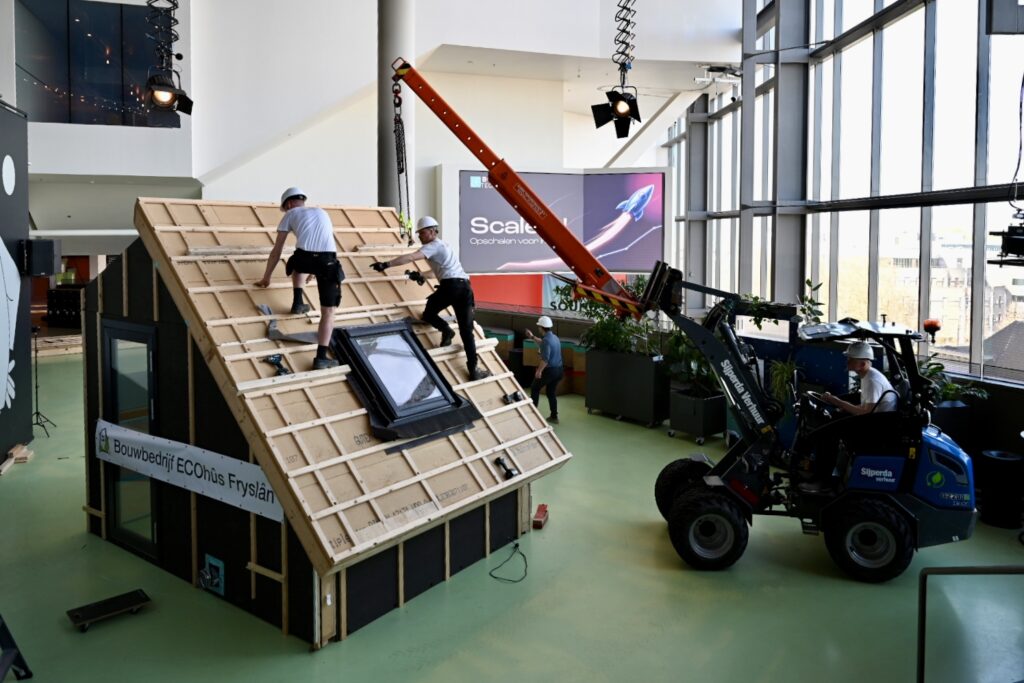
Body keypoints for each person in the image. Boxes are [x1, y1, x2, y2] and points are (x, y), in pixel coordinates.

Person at [370, 216, 491, 381]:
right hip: (465, 288)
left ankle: (446, 330)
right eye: (419, 233)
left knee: (428, 314)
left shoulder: (433, 246)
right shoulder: (444, 246)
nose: (419, 236)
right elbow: (439, 272)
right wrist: (420, 275)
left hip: (451, 287)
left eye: (422, 232)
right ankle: (474, 369)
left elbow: (411, 257)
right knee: (466, 331)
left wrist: (386, 264)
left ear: (433, 231)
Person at [255, 187, 344, 371]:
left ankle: (297, 302)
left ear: (288, 204)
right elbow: (324, 242)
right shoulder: (322, 212)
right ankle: (321, 358)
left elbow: (277, 250)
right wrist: (317, 270)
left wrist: (266, 278)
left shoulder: (290, 214)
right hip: (327, 261)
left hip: (305, 259)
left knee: (298, 260)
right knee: (328, 312)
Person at [821, 341, 897, 415]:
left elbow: (866, 414)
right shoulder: (868, 375)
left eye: (851, 359)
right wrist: (845, 407)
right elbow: (865, 407)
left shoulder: (872, 381)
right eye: (848, 358)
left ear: (862, 364)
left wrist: (837, 401)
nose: (847, 362)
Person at [524, 316, 563, 424]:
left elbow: (545, 360)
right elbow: (542, 343)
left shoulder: (547, 341)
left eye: (539, 326)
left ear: (541, 327)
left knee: (534, 388)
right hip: (559, 370)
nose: (538, 328)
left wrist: (539, 371)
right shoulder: (554, 337)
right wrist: (532, 337)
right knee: (551, 392)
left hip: (550, 371)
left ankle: (533, 415)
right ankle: (554, 416)